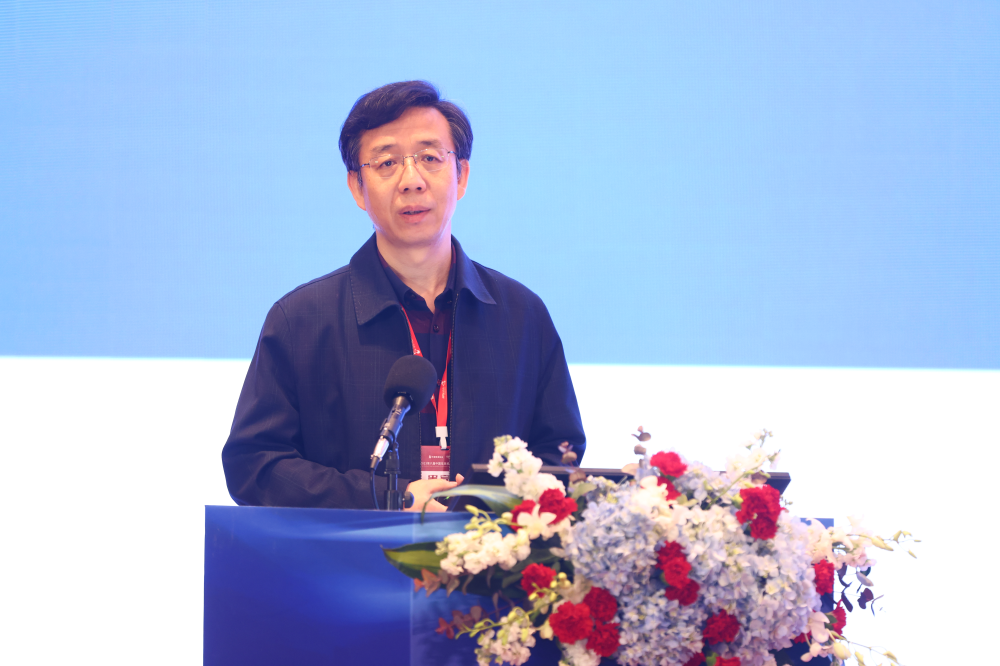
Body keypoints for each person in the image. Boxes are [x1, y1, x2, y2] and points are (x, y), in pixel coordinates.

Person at [222, 81, 585, 511]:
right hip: (351, 555)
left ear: (462, 175)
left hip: (484, 554)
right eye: (387, 162)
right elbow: (255, 466)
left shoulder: (521, 316)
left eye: (430, 158)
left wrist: (488, 524)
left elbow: (559, 455)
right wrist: (387, 498)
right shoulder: (301, 320)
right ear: (357, 187)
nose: (411, 180)